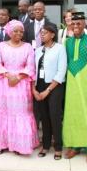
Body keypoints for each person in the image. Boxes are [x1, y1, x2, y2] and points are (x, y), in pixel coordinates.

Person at [0, 20, 39, 155]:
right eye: (15, 31)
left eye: (21, 31)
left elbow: (31, 67)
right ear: (9, 32)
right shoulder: (1, 45)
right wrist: (7, 74)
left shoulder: (28, 46)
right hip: (4, 84)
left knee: (20, 114)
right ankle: (2, 144)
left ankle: (19, 145)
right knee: (3, 113)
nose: (18, 33)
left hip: (21, 85)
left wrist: (18, 77)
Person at [62, 12, 87, 165]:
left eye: (79, 23)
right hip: (71, 88)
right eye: (73, 23)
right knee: (73, 116)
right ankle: (76, 146)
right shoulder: (67, 43)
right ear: (69, 25)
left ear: (85, 24)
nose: (75, 26)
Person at [33, 24, 67, 159]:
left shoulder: (60, 49)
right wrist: (34, 89)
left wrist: (47, 90)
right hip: (40, 85)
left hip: (55, 86)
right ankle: (46, 145)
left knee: (55, 117)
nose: (42, 35)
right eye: (41, 33)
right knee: (44, 117)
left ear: (53, 35)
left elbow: (61, 72)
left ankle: (58, 146)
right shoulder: (38, 50)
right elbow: (34, 70)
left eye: (45, 33)